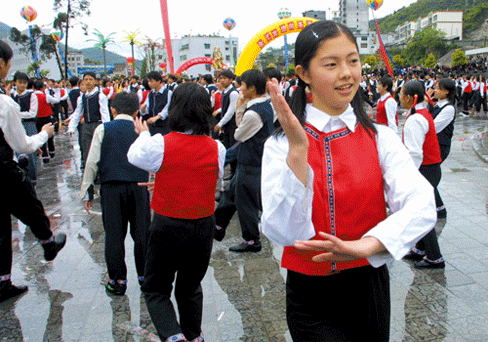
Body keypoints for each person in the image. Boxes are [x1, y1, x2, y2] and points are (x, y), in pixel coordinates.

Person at [261, 21, 436, 341]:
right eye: (331, 64)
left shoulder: (380, 137)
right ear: (303, 73)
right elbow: (278, 230)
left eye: (353, 60)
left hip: (367, 286)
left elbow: (422, 202)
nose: (347, 72)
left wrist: (366, 245)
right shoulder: (281, 144)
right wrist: (299, 153)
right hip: (309, 292)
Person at [127, 82, 226, 342]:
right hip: (203, 224)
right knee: (190, 286)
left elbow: (134, 156)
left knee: (156, 288)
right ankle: (194, 336)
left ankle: (173, 336)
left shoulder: (159, 144)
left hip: (169, 223)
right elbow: (206, 176)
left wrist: (142, 134)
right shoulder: (217, 148)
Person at [0, 39, 66, 303]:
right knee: (31, 206)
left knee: (1, 230)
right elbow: (22, 144)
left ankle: (3, 283)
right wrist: (44, 134)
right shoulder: (5, 104)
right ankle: (48, 243)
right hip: (3, 172)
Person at [80, 92, 150, 295]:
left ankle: (117, 281)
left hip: (111, 189)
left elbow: (92, 162)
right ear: (137, 111)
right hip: (139, 187)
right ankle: (145, 278)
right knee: (142, 234)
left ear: (113, 109)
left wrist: (87, 190)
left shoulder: (104, 128)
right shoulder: (142, 130)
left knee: (114, 235)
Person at [214, 69, 274, 253]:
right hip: (252, 159)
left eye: (244, 85)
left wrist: (240, 105)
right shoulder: (267, 105)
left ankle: (251, 240)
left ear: (253, 88)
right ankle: (217, 227)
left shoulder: (254, 113)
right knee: (231, 193)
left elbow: (239, 133)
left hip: (252, 161)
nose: (241, 88)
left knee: (245, 203)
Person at [400, 80, 445, 269]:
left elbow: (415, 153)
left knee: (421, 214)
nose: (400, 98)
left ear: (410, 98)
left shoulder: (415, 119)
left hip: (424, 170)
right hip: (431, 168)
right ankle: (420, 249)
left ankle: (435, 257)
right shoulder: (421, 113)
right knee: (420, 211)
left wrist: (408, 176)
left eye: (401, 94)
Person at [427, 78, 457, 218]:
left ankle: (440, 208)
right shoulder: (437, 105)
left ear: (446, 91)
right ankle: (438, 208)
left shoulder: (449, 108)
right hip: (433, 146)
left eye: (438, 88)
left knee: (428, 176)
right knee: (427, 176)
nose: (435, 90)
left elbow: (433, 127)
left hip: (441, 146)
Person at [11, 72, 39, 185]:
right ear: (15, 83)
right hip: (16, 125)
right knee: (18, 152)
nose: (22, 85)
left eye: (24, 83)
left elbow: (32, 113)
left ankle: (32, 180)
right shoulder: (11, 96)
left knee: (30, 152)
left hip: (29, 125)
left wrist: (17, 114)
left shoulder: (32, 96)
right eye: (20, 82)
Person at [34, 80, 59, 164]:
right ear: (42, 88)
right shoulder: (45, 96)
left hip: (37, 118)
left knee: (41, 135)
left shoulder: (33, 96)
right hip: (47, 118)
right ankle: (51, 151)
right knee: (49, 135)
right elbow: (57, 100)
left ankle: (45, 155)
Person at [141, 71, 172, 136]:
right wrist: (143, 109)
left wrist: (157, 117)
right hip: (152, 127)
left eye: (151, 81)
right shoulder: (150, 94)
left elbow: (168, 108)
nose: (149, 83)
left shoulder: (168, 93)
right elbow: (147, 108)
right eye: (148, 81)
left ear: (158, 81)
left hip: (164, 126)